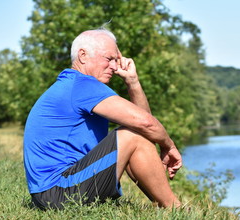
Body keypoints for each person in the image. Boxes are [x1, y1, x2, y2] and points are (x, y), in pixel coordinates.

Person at [23, 28, 182, 210]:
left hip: (51, 194)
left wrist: (132, 82)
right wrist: (169, 146)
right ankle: (175, 208)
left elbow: (144, 122)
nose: (115, 67)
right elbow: (145, 123)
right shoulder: (83, 85)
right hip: (60, 193)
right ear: (83, 55)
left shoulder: (73, 84)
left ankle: (168, 207)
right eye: (109, 59)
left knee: (136, 132)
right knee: (132, 134)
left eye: (116, 60)